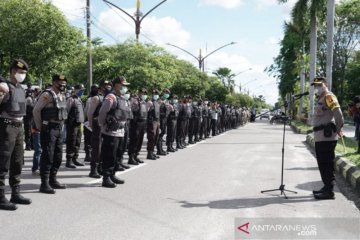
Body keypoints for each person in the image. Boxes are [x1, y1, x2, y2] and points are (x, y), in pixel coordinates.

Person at [0, 59, 32, 210]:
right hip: (6, 126)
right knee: (3, 162)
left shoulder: (20, 88)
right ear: (13, 71)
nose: (22, 75)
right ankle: (0, 197)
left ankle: (15, 193)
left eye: (24, 73)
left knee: (18, 161)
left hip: (19, 127)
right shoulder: (4, 87)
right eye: (20, 72)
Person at [33, 74, 68, 194]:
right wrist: (39, 126)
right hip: (49, 129)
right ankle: (44, 183)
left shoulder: (61, 95)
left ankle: (53, 179)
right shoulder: (47, 95)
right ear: (54, 82)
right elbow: (36, 110)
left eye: (64, 83)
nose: (62, 85)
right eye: (60, 82)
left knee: (58, 156)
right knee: (48, 155)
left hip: (59, 128)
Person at [311, 77, 344, 200]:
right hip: (320, 137)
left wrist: (339, 128)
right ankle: (326, 187)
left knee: (326, 164)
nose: (317, 87)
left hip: (327, 137)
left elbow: (338, 114)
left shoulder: (329, 97)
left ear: (325, 84)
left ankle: (329, 191)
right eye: (315, 85)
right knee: (322, 164)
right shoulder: (321, 99)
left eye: (319, 85)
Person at [98, 76, 128, 188]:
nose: (125, 87)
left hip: (121, 131)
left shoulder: (123, 98)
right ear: (116, 85)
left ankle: (113, 174)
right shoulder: (111, 97)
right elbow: (102, 112)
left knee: (118, 155)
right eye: (122, 85)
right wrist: (103, 125)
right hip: (111, 132)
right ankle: (106, 177)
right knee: (109, 155)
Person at [65, 84, 85, 168]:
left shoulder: (79, 99)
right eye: (80, 90)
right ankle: (69, 160)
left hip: (79, 123)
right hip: (72, 124)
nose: (82, 91)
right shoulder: (71, 99)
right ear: (75, 90)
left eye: (83, 90)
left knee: (77, 141)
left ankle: (75, 159)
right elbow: (66, 111)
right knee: (71, 142)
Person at [128, 88, 148, 163]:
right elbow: (130, 110)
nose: (144, 95)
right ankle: (131, 157)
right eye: (142, 93)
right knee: (134, 139)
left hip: (142, 122)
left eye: (145, 94)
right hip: (136, 123)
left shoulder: (144, 102)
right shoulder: (135, 100)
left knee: (140, 140)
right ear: (139, 93)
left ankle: (136, 155)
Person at [146, 89, 161, 160]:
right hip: (151, 122)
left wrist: (159, 123)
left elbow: (158, 114)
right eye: (154, 94)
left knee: (156, 137)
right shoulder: (150, 102)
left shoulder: (157, 103)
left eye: (157, 94)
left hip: (157, 121)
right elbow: (147, 112)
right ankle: (149, 153)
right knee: (151, 137)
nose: (156, 95)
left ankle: (152, 151)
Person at [31, 88, 42, 175]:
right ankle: (35, 168)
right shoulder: (37, 105)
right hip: (37, 129)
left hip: (42, 129)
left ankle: (40, 167)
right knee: (38, 150)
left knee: (42, 150)